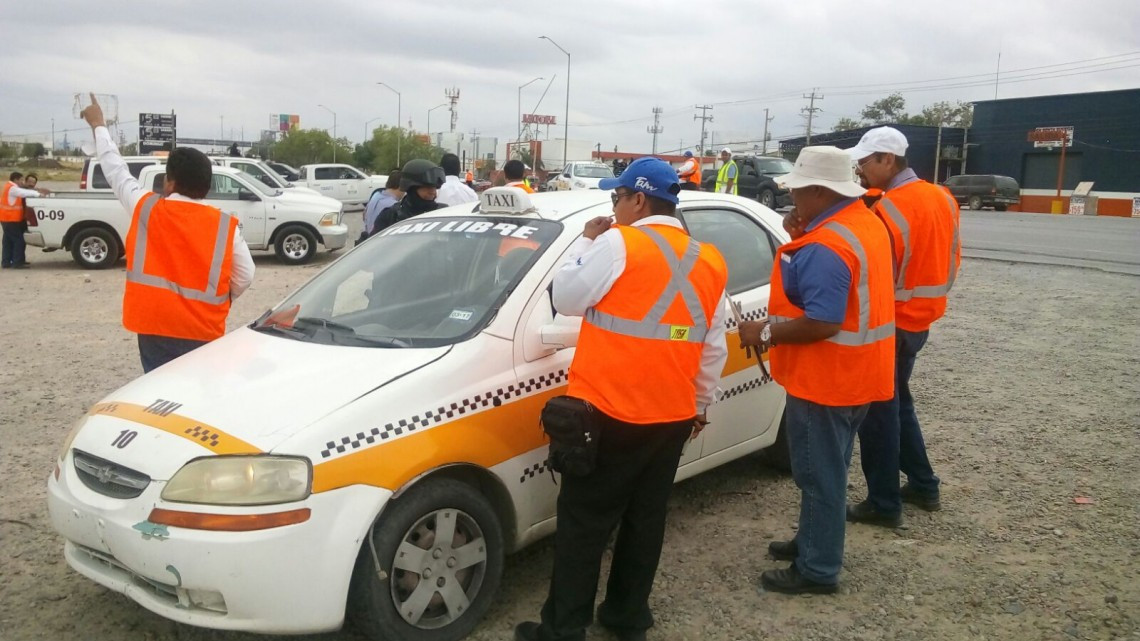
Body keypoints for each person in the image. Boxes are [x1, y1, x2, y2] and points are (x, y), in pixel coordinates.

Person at [515, 157, 729, 641]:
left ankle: (564, 629)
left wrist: (586, 240)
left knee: (584, 524)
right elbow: (712, 344)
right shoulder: (709, 258)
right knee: (645, 520)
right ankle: (627, 617)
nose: (614, 206)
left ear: (638, 198)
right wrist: (700, 405)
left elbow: (566, 298)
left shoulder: (617, 242)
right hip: (672, 415)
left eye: (617, 197)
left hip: (608, 413)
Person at [738, 146, 895, 594]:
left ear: (823, 192)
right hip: (860, 373)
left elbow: (823, 320)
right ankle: (813, 541)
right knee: (830, 468)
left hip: (827, 379)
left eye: (800, 192)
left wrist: (763, 332)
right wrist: (800, 236)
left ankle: (817, 568)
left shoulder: (828, 245)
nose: (793, 201)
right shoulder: (862, 225)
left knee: (819, 476)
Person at [80, 94, 255, 372]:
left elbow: (116, 171)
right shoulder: (225, 226)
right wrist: (220, 299)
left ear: (169, 182)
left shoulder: (146, 207)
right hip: (204, 329)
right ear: (206, 186)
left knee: (160, 390)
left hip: (155, 328)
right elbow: (245, 276)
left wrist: (99, 125)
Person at [844, 126, 961, 525]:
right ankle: (924, 485)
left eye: (865, 161)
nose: (860, 168)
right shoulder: (942, 198)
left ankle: (883, 503)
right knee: (898, 405)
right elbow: (952, 257)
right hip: (920, 321)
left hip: (890, 324)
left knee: (878, 417)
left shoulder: (886, 209)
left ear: (887, 160)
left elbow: (873, 273)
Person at [370, 159, 445, 235]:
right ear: (412, 187)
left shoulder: (443, 214)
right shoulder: (391, 216)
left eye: (435, 188)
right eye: (429, 187)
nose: (433, 193)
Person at [1, 171, 50, 269]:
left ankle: (6, 262)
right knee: (19, 240)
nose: (22, 182)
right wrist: (38, 194)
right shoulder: (13, 188)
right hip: (10, 219)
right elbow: (24, 192)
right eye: (21, 180)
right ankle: (17, 262)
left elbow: (25, 190)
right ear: (16, 179)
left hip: (7, 219)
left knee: (8, 241)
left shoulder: (8, 186)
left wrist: (37, 190)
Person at [359, 171, 403, 243]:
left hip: (366, 241)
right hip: (379, 242)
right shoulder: (393, 206)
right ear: (401, 187)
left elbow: (364, 215)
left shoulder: (375, 195)